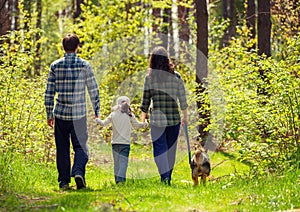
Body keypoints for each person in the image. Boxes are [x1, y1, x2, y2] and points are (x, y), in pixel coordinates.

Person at [44, 33, 100, 190]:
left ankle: (63, 182)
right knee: (81, 147)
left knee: (62, 148)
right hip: (79, 115)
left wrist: (49, 114)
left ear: (63, 47)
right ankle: (78, 171)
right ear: (77, 47)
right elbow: (93, 90)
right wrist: (96, 110)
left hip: (61, 114)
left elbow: (49, 92)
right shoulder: (84, 65)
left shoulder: (55, 66)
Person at [140, 46, 188, 185]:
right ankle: (167, 177)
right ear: (167, 59)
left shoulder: (150, 78)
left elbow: (145, 100)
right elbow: (182, 99)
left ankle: (165, 177)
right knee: (170, 151)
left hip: (157, 121)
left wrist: (143, 119)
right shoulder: (176, 76)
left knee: (159, 150)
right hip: (174, 119)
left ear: (153, 61)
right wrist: (185, 116)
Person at [95, 96, 148, 184]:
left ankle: (117, 181)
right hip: (125, 144)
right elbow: (137, 126)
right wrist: (145, 124)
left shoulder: (113, 114)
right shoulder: (130, 115)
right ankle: (120, 180)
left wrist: (97, 119)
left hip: (115, 143)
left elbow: (103, 123)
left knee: (117, 164)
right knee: (123, 163)